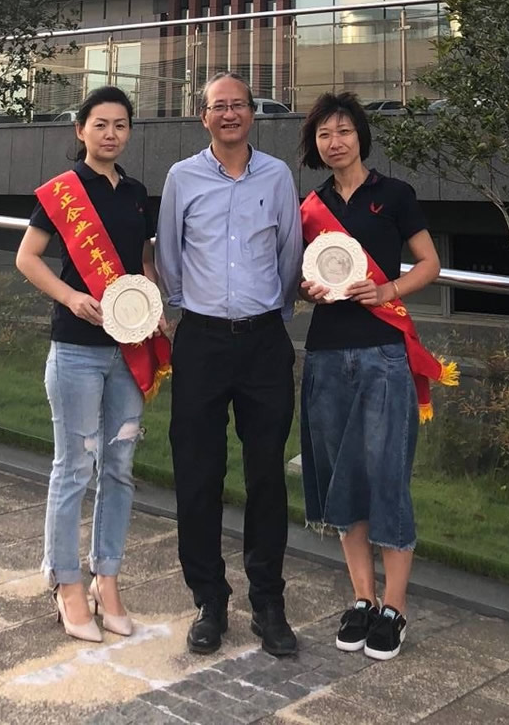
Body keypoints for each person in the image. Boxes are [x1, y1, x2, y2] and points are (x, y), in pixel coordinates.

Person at [154, 71, 303, 658]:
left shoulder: (277, 175)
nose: (230, 114)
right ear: (204, 116)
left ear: (252, 113)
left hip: (264, 341)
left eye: (238, 104)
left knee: (266, 474)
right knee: (198, 474)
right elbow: (170, 254)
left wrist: (275, 312)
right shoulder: (182, 177)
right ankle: (209, 600)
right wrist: (186, 308)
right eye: (219, 106)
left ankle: (268, 602)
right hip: (202, 342)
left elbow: (290, 252)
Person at [298, 92, 444, 662]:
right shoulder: (309, 207)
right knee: (342, 476)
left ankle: (394, 607)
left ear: (360, 135)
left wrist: (388, 290)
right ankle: (362, 598)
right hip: (326, 353)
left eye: (343, 131)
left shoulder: (395, 194)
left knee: (387, 475)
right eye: (324, 134)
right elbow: (298, 277)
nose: (334, 142)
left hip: (384, 352)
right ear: (314, 145)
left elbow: (430, 263)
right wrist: (307, 289)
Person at [15, 85, 162, 644]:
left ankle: (108, 576)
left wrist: (154, 305)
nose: (110, 133)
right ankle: (67, 581)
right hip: (77, 347)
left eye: (120, 124)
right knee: (75, 467)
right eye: (100, 124)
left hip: (128, 349)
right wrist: (71, 297)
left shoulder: (138, 193)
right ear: (81, 130)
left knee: (119, 467)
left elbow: (142, 261)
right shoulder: (64, 192)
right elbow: (27, 258)